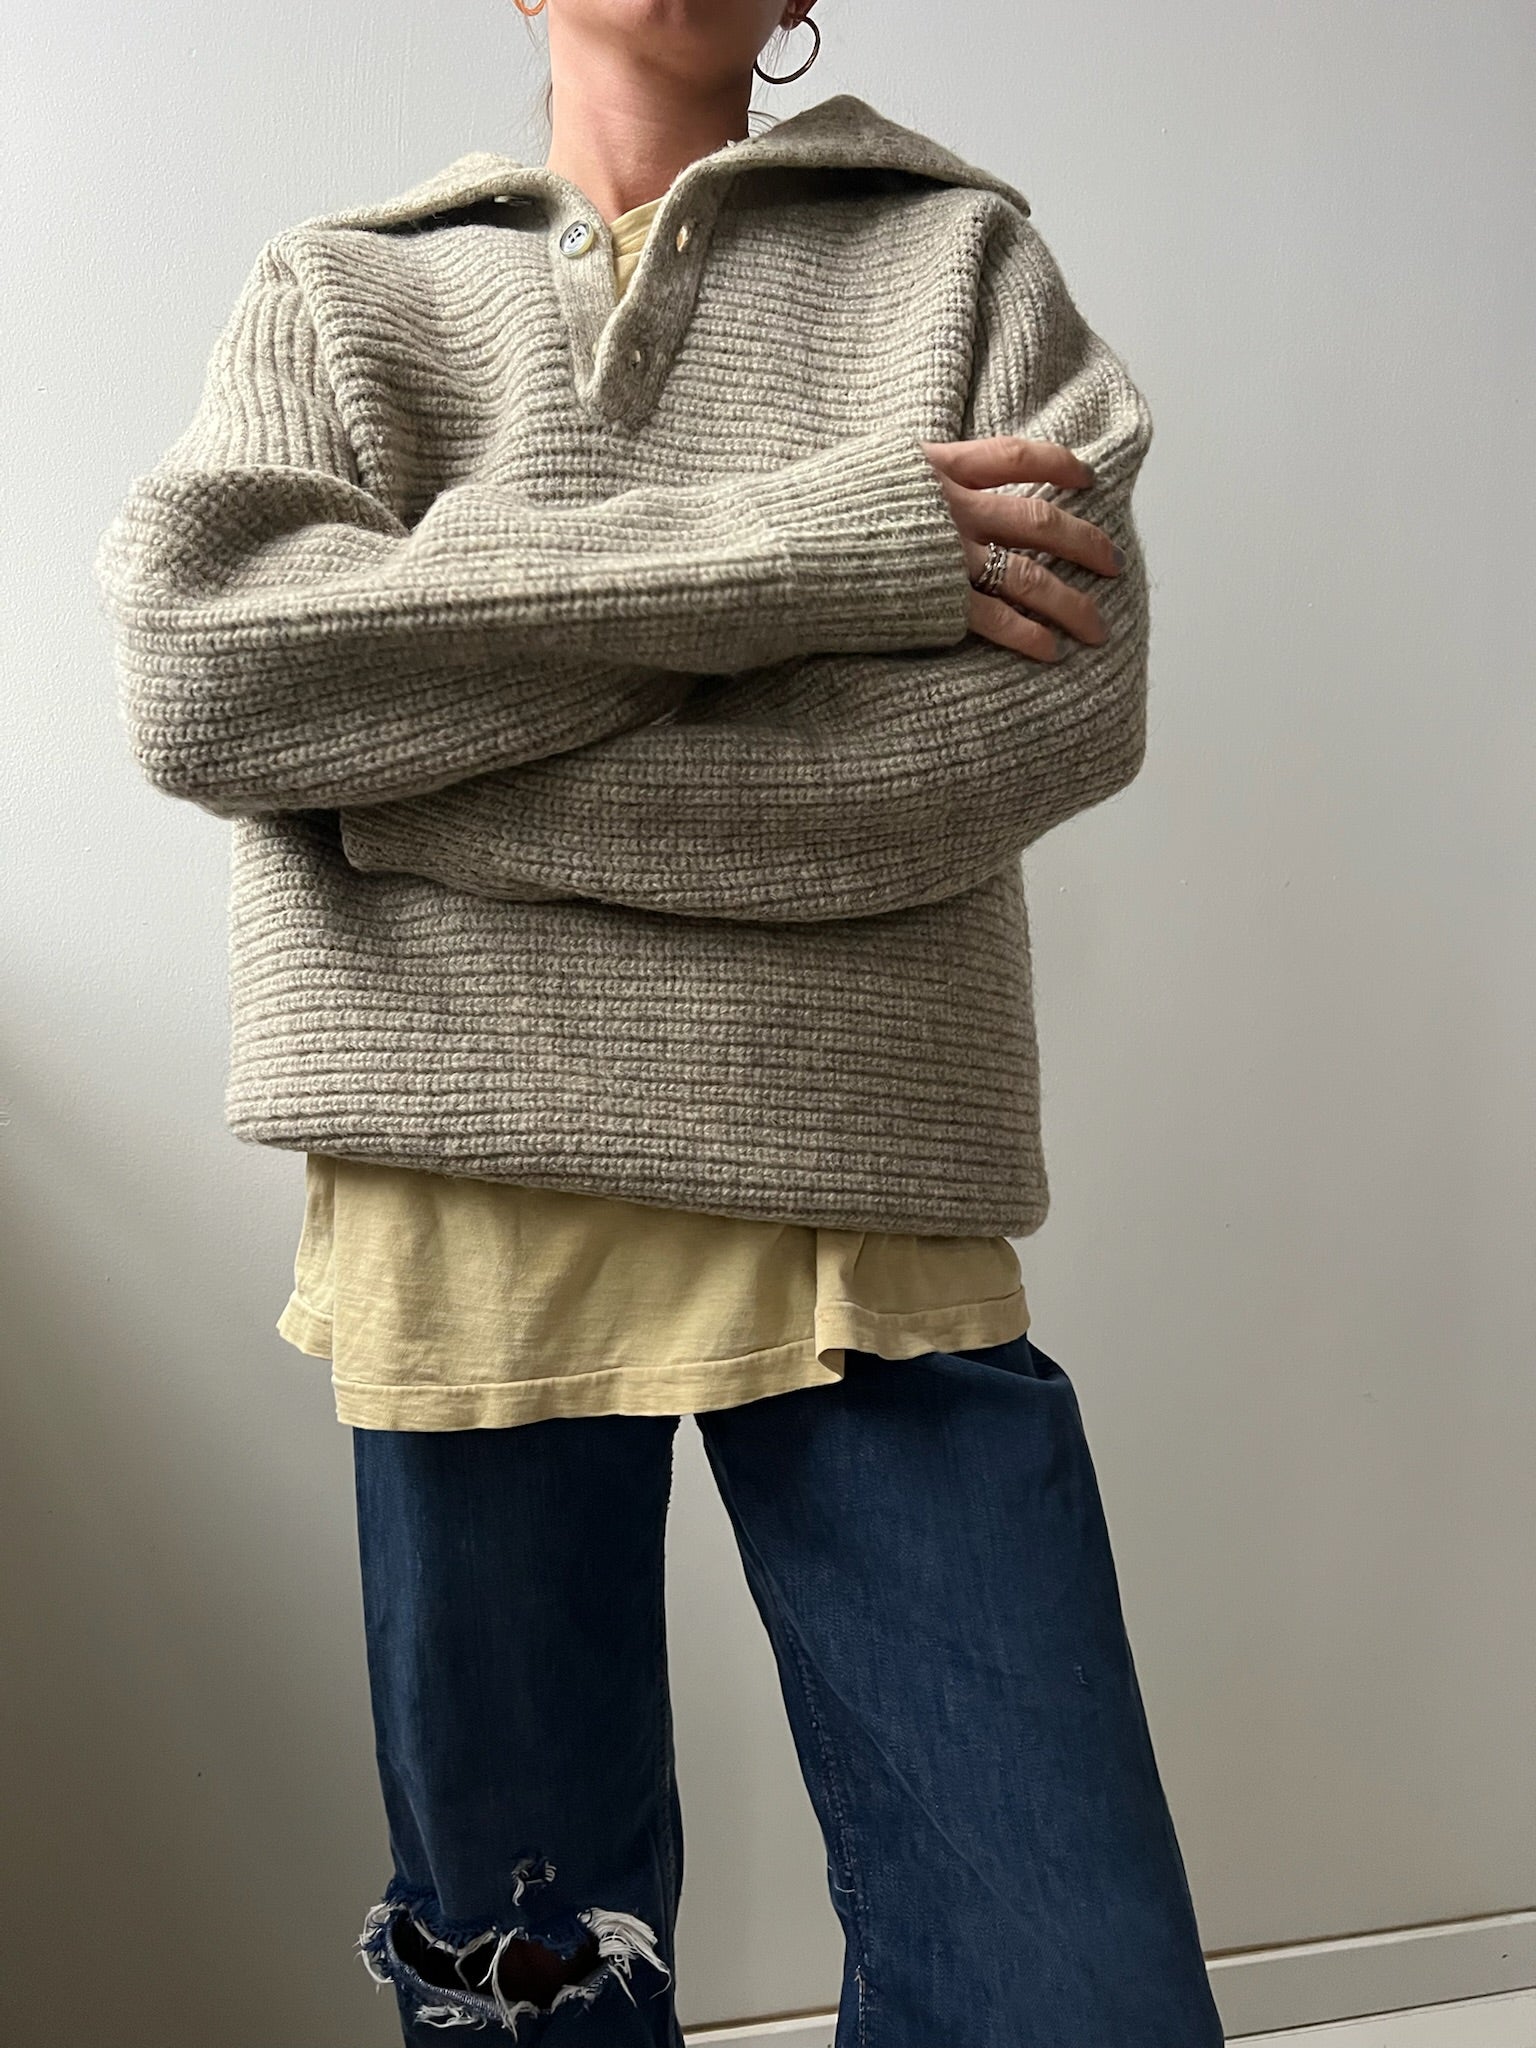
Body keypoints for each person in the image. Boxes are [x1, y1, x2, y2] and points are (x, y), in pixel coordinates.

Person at [94, 3, 1225, 2042]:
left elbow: (1049, 716)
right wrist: (827, 551)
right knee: (533, 1984)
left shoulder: (960, 263)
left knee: (1071, 1986)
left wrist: (404, 789)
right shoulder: (342, 292)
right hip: (460, 1214)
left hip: (860, 1188)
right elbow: (201, 674)